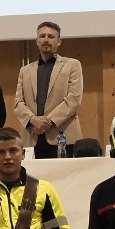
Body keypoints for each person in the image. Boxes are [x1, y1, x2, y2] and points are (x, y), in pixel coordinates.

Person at [13, 21, 83, 158]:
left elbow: (74, 99)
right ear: (37, 41)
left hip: (63, 138)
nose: (46, 40)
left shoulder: (72, 65)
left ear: (59, 41)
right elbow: (18, 103)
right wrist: (33, 120)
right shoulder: (25, 71)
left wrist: (47, 122)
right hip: (31, 138)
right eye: (42, 36)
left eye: (51, 37)